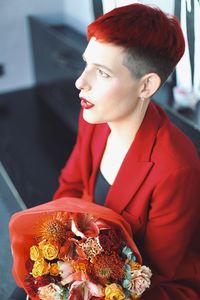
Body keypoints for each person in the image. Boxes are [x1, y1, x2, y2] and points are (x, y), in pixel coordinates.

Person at [9, 3, 200, 300]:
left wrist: (83, 278)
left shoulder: (176, 166)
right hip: (87, 265)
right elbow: (70, 187)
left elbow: (156, 272)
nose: (80, 82)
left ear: (146, 85)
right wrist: (64, 257)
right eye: (87, 64)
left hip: (146, 286)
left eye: (103, 73)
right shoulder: (96, 117)